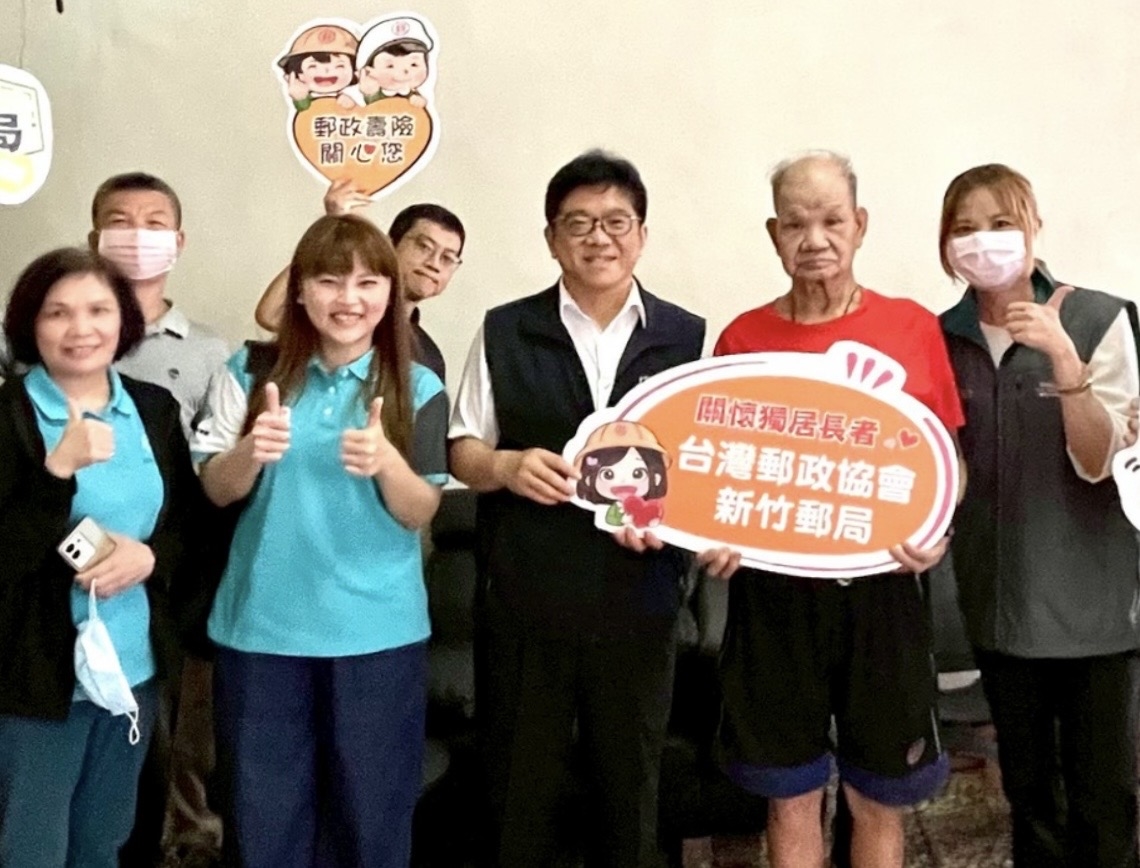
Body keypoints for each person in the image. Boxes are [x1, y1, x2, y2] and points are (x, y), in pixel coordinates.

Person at [448, 149, 735, 868]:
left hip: (640, 600)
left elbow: (702, 466)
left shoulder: (686, 337)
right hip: (527, 600)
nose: (598, 238)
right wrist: (504, 466)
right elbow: (463, 448)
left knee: (631, 787)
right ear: (552, 239)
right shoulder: (507, 329)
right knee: (519, 788)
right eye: (578, 223)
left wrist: (671, 518)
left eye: (615, 222)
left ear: (641, 235)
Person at [711, 151, 964, 868]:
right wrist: (714, 534)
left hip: (882, 589)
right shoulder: (741, 341)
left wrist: (937, 527)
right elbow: (718, 467)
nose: (814, 239)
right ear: (774, 234)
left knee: (875, 797)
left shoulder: (912, 327)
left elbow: (945, 457)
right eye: (796, 223)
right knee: (789, 797)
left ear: (860, 225)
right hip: (775, 597)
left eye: (831, 220)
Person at [191, 213, 448, 868]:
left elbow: (420, 509)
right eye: (329, 281)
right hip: (261, 632)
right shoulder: (249, 371)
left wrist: (386, 463)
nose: (348, 299)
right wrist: (251, 451)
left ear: (390, 292)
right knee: (261, 820)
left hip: (378, 636)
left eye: (367, 282)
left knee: (370, 821)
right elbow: (216, 489)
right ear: (299, 291)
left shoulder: (418, 385)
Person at [938, 163, 1140, 867]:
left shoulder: (1098, 318)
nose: (982, 240)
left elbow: (1101, 459)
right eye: (964, 228)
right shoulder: (942, 338)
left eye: (1000, 223)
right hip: (997, 601)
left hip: (1094, 607)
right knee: (1028, 795)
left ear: (1032, 228)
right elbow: (937, 466)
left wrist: (1062, 357)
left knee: (1104, 794)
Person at [0, 247, 199, 868]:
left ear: (124, 320)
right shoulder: (8, 416)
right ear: (30, 325)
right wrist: (56, 469)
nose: (80, 329)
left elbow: (188, 525)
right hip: (34, 679)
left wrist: (149, 557)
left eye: (97, 310)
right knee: (31, 849)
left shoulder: (152, 408)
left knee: (104, 841)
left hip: (132, 671)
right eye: (57, 312)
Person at [83, 172, 230, 868]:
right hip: (64, 579)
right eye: (119, 221)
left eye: (152, 223)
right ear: (93, 239)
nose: (135, 236)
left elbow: (209, 481)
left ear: (178, 240)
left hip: (169, 577)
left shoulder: (208, 352)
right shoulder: (50, 333)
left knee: (162, 746)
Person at [254, 179, 464, 382]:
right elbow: (270, 315)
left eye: (447, 258)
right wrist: (334, 226)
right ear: (389, 244)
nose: (434, 264)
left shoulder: (428, 357)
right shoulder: (349, 314)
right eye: (424, 247)